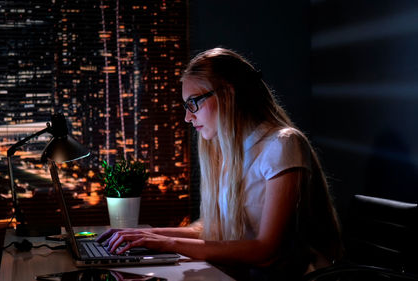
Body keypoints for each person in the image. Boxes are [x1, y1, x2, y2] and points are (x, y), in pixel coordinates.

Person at [97, 48, 343, 280]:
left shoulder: (282, 144)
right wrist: (146, 235)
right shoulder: (228, 151)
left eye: (194, 102)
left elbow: (266, 251)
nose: (187, 116)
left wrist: (166, 243)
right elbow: (211, 230)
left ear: (228, 93)